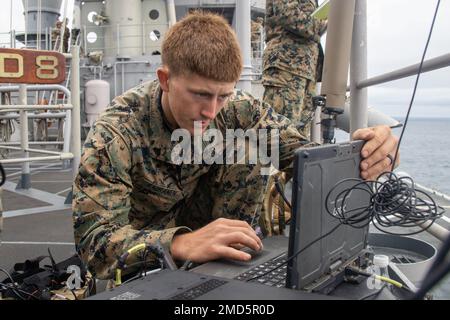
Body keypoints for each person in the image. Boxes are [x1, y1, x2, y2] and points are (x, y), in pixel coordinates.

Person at [73, 12, 399, 280]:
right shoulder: (116, 134)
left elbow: (305, 156)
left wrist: (367, 153)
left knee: (253, 145)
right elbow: (95, 245)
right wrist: (180, 243)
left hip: (210, 234)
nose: (211, 110)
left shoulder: (239, 111)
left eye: (223, 95)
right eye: (200, 94)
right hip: (143, 248)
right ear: (165, 79)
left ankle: (227, 266)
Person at [261, 0, 327, 235]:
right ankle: (264, 217)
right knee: (277, 143)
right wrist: (324, 21)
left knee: (297, 143)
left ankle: (281, 210)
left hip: (302, 71)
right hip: (286, 69)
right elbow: (292, 17)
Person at [262, 0, 327, 138]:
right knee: (279, 132)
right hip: (286, 65)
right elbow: (289, 14)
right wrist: (323, 24)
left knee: (299, 136)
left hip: (306, 69)